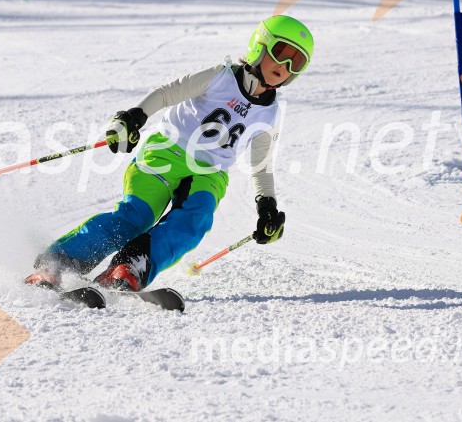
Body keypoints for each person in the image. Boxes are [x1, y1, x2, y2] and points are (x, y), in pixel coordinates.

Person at [25, 15, 314, 291]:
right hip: (166, 153)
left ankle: (130, 267)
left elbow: (261, 166)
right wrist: (134, 117)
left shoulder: (270, 113)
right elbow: (166, 94)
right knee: (136, 217)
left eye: (296, 61)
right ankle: (58, 262)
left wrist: (267, 208)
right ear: (259, 46)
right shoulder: (220, 77)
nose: (285, 64)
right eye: (281, 52)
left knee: (193, 222)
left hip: (209, 173)